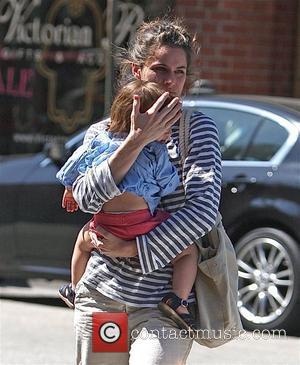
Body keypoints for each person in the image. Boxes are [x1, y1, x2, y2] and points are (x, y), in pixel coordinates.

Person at [72, 17, 222, 365]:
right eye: (160, 69)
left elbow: (202, 210)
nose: (171, 82)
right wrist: (136, 140)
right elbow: (84, 198)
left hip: (164, 305)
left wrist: (131, 248)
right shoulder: (102, 132)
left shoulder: (196, 131)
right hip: (105, 295)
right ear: (137, 70)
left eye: (180, 72)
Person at [57, 79, 198, 331]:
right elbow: (168, 184)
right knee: (188, 251)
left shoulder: (98, 140)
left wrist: (69, 189)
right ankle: (178, 299)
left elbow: (74, 166)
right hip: (141, 224)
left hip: (105, 224)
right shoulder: (155, 150)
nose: (169, 131)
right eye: (166, 125)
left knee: (82, 241)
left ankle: (74, 288)